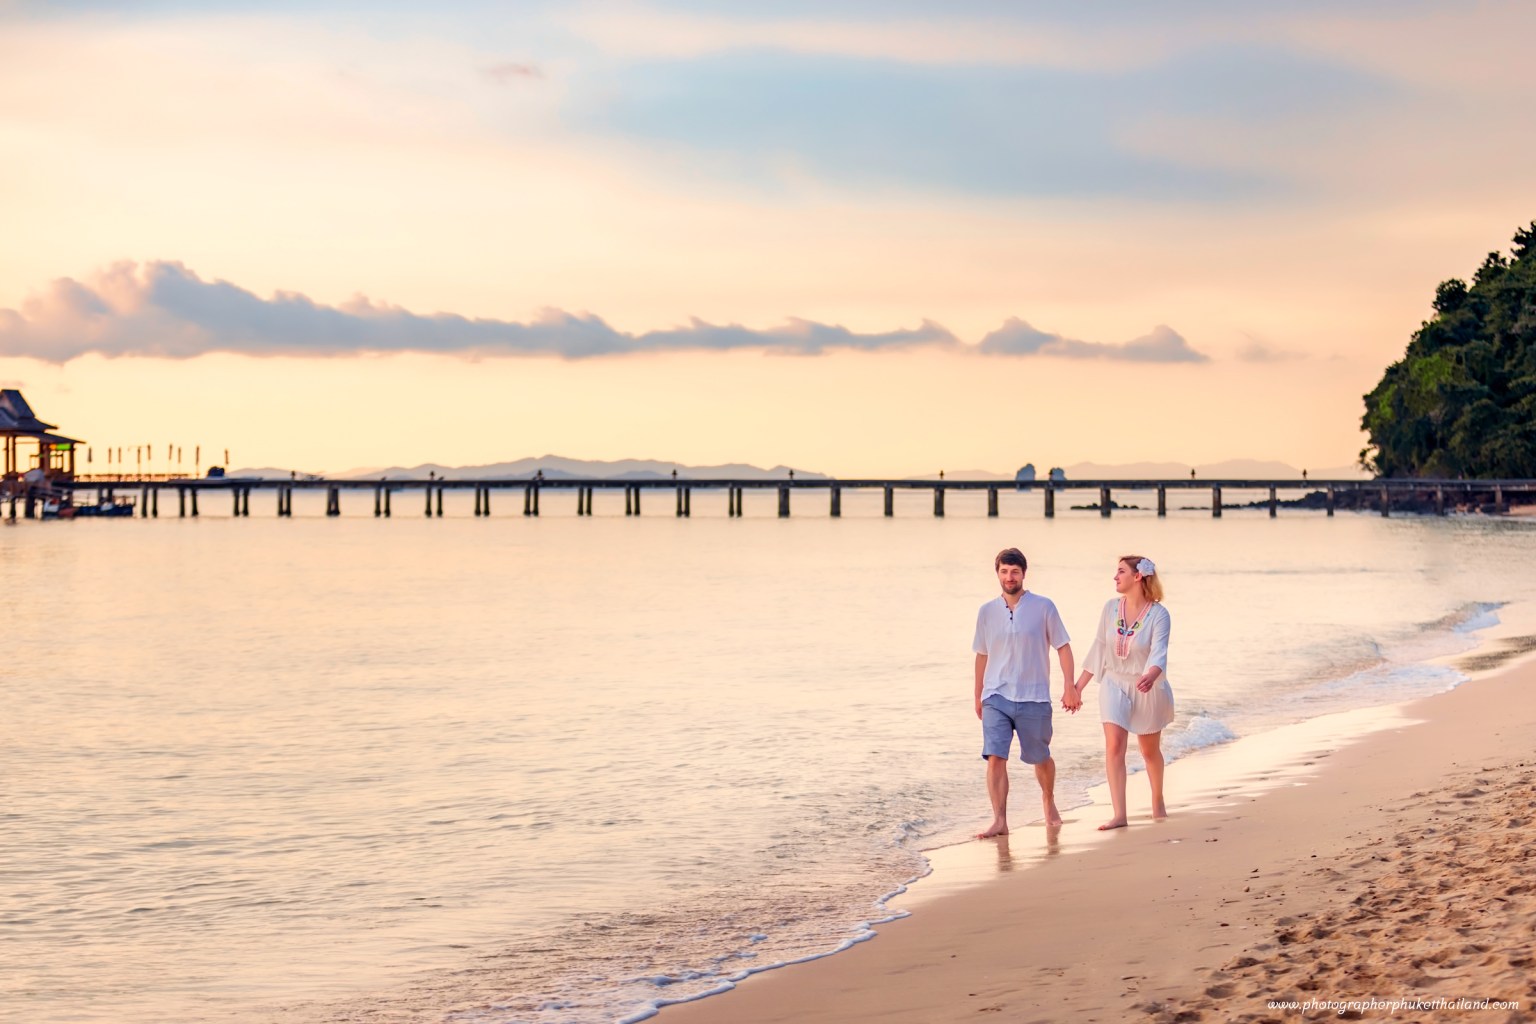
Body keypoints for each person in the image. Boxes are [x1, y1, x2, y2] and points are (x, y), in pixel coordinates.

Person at [972, 548, 1075, 838]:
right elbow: (981, 654)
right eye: (1004, 571)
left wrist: (1069, 685)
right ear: (998, 574)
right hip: (996, 696)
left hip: (1035, 696)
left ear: (1024, 574)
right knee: (995, 756)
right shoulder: (986, 612)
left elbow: (1063, 646)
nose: (1009, 577)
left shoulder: (1044, 606)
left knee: (1040, 756)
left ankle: (1048, 799)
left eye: (1014, 572)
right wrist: (978, 694)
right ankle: (1000, 819)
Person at [1064, 555, 1173, 830]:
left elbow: (1159, 651)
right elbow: (1099, 648)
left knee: (1149, 752)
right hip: (1113, 682)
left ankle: (1157, 799)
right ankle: (1119, 814)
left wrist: (1151, 674)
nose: (1115, 577)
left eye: (1121, 572)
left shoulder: (1159, 614)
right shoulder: (1110, 608)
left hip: (1147, 684)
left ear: (1138, 576)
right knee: (1114, 746)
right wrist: (1077, 688)